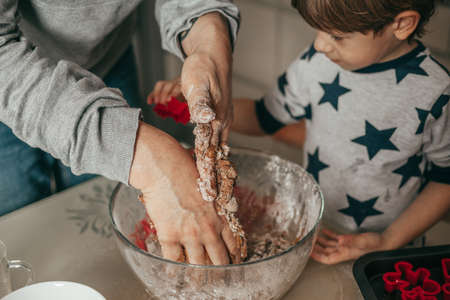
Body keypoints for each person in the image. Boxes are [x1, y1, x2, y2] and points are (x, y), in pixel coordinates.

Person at [148, 0, 450, 265]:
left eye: (336, 36)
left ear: (402, 24)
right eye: (317, 30)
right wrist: (198, 107)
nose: (320, 45)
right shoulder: (316, 63)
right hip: (316, 230)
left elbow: (445, 179)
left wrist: (387, 241)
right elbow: (265, 118)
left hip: (390, 248)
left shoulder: (435, 93)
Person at [0, 0, 241, 265]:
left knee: (101, 248)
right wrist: (146, 159)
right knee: (19, 241)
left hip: (107, 59)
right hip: (8, 78)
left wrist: (208, 40)